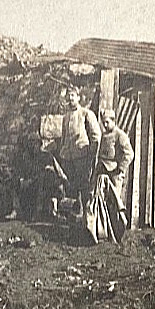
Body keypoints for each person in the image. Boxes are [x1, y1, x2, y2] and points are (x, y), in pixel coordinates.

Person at [84, 109, 134, 244]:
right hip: (102, 171)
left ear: (113, 121)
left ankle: (118, 233)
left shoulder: (120, 135)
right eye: (103, 123)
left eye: (107, 122)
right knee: (100, 202)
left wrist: (120, 168)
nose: (105, 125)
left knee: (114, 203)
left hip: (114, 174)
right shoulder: (104, 136)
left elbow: (129, 154)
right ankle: (102, 233)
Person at [54, 87, 100, 215]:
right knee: (71, 186)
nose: (70, 98)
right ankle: (74, 214)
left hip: (82, 156)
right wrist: (62, 153)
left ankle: (87, 215)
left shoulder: (86, 114)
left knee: (84, 186)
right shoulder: (66, 117)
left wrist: (91, 154)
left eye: (73, 95)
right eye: (68, 96)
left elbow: (96, 135)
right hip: (68, 157)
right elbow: (64, 137)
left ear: (79, 97)